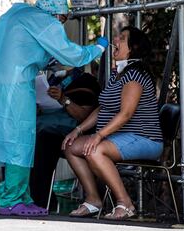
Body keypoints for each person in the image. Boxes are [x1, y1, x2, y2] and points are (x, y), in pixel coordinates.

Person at [0, 0, 108, 216]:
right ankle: (13, 199)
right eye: (62, 19)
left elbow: (26, 50)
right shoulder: (45, 21)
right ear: (57, 14)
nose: (60, 24)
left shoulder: (16, 15)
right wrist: (97, 48)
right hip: (17, 87)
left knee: (13, 140)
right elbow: (72, 54)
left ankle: (17, 195)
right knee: (20, 142)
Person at [63, 26, 163, 220]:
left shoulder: (135, 75)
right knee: (70, 146)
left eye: (122, 38)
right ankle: (93, 200)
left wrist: (98, 135)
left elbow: (126, 114)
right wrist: (78, 129)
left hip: (145, 139)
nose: (115, 40)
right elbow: (103, 109)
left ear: (133, 48)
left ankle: (125, 204)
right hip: (120, 138)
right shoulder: (117, 74)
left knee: (95, 149)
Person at [29, 67, 100, 210]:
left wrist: (63, 99)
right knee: (37, 140)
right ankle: (37, 199)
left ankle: (41, 201)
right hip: (49, 130)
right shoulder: (53, 80)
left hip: (76, 134)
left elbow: (83, 116)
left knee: (43, 143)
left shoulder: (86, 80)